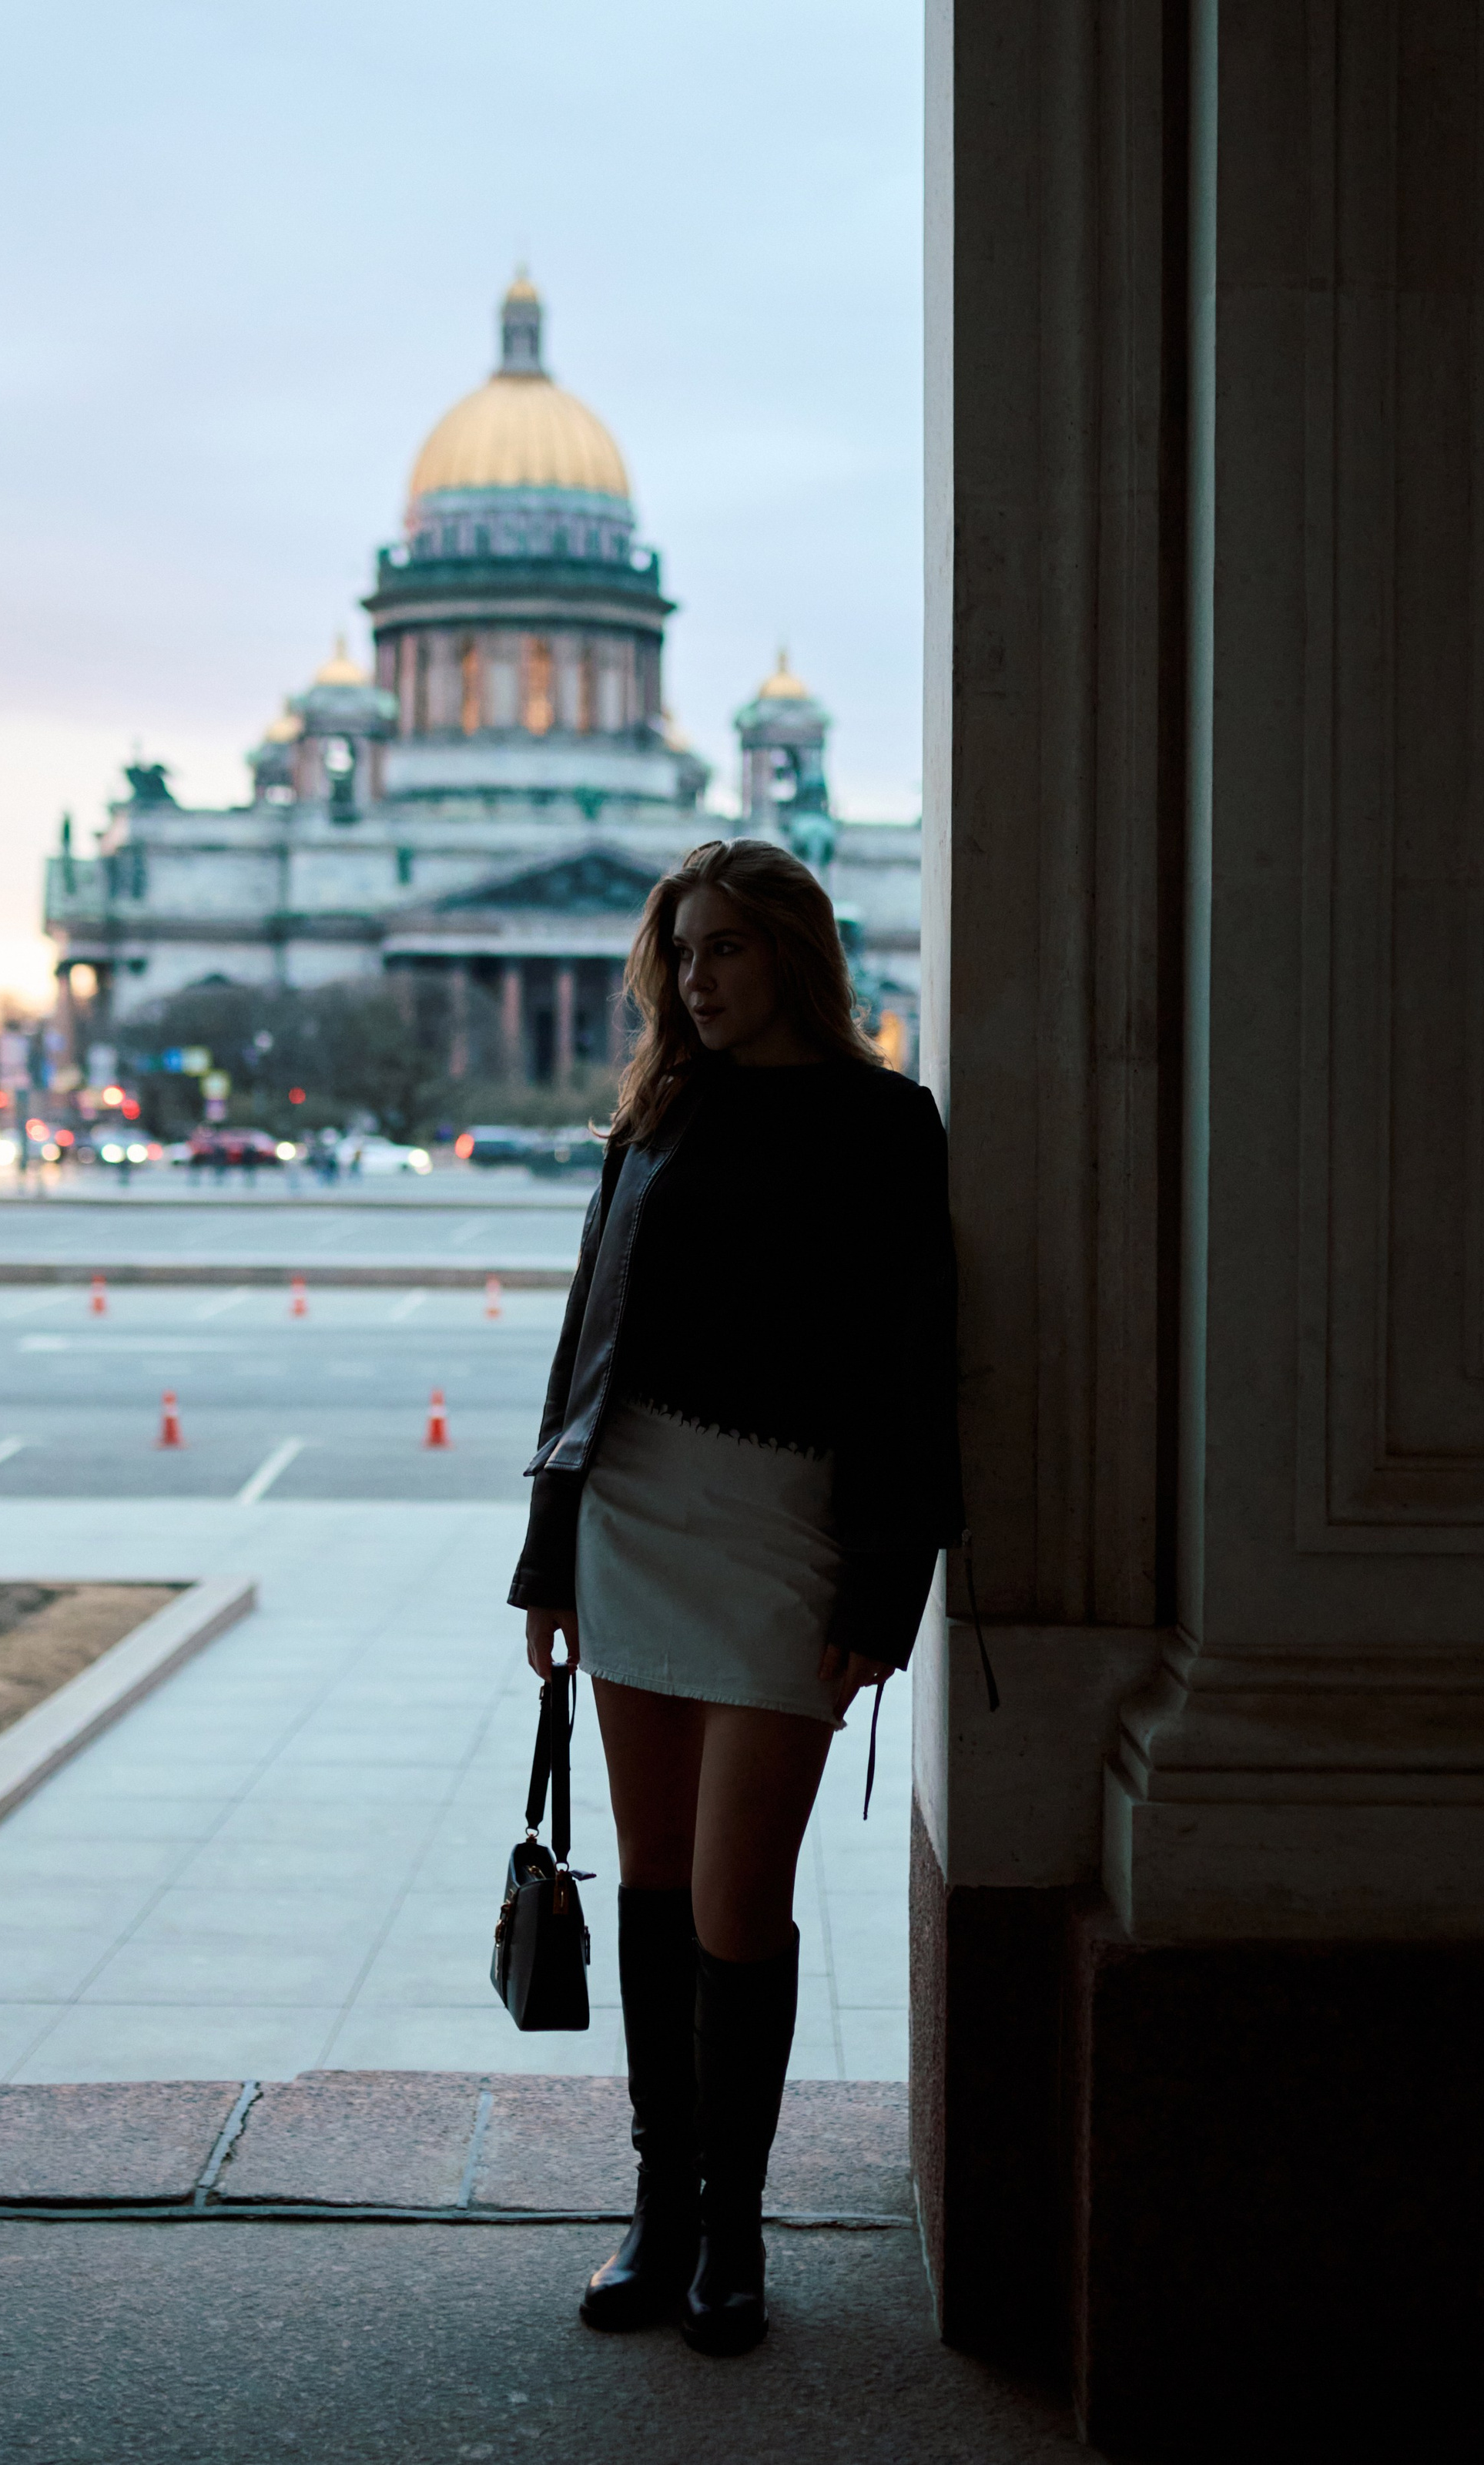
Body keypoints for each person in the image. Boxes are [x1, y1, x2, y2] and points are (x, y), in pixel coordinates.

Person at [512, 837, 962, 2359]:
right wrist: (546, 1555)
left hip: (784, 1531)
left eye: (724, 951)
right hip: (631, 1518)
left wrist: (882, 1588)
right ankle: (660, 2207)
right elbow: (585, 1344)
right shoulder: (653, 1117)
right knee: (649, 1888)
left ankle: (735, 2222)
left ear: (792, 957)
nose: (695, 982)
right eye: (679, 956)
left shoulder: (882, 1123)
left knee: (732, 1899)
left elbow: (915, 1372)